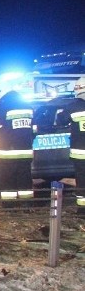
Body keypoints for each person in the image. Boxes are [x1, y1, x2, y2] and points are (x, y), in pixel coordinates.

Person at [0, 83, 35, 208]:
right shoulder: (27, 105)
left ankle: (10, 206)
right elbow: (33, 128)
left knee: (7, 179)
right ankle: (26, 204)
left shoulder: (4, 105)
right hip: (25, 150)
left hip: (7, 151)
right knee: (24, 178)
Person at [63, 77, 85, 215]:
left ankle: (82, 210)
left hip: (80, 154)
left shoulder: (73, 106)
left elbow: (60, 120)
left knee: (82, 181)